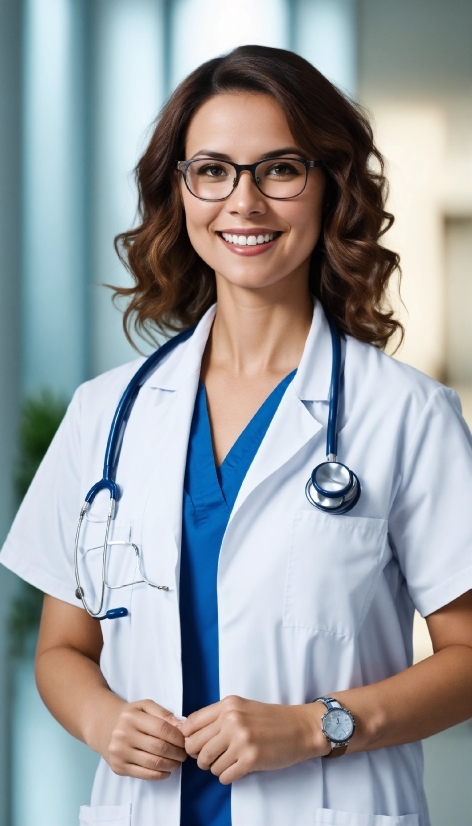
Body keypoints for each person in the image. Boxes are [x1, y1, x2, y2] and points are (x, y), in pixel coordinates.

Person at [1, 45, 471, 826]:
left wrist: (316, 725)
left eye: (280, 169)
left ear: (331, 187)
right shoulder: (105, 414)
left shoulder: (406, 415)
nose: (242, 202)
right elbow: (63, 651)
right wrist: (101, 721)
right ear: (179, 191)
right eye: (213, 171)